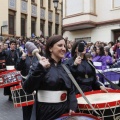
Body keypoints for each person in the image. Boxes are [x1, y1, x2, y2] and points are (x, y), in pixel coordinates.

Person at [23, 35, 77, 120]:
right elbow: (27, 88)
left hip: (64, 113)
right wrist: (40, 68)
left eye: (64, 46)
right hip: (45, 113)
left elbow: (71, 91)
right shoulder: (38, 65)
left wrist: (72, 105)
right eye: (60, 45)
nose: (63, 48)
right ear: (50, 48)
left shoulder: (66, 68)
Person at [16, 46, 38, 120]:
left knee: (35, 108)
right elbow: (17, 68)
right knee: (26, 108)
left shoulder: (37, 57)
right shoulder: (23, 57)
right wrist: (22, 59)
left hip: (36, 86)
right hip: (25, 85)